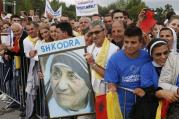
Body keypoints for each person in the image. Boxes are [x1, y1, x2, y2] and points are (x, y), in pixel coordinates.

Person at [104, 25, 151, 118]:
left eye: (133, 42)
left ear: (140, 43)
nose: (129, 46)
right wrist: (112, 89)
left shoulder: (147, 57)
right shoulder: (114, 59)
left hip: (145, 104)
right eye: (126, 42)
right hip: (123, 107)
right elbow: (111, 83)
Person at [44, 52, 94, 118]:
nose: (61, 86)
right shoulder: (49, 109)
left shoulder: (97, 109)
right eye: (56, 73)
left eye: (72, 76)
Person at [130, 38, 171, 119]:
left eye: (166, 53)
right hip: (153, 108)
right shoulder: (146, 68)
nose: (163, 57)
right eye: (158, 54)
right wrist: (161, 93)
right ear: (151, 55)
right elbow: (149, 91)